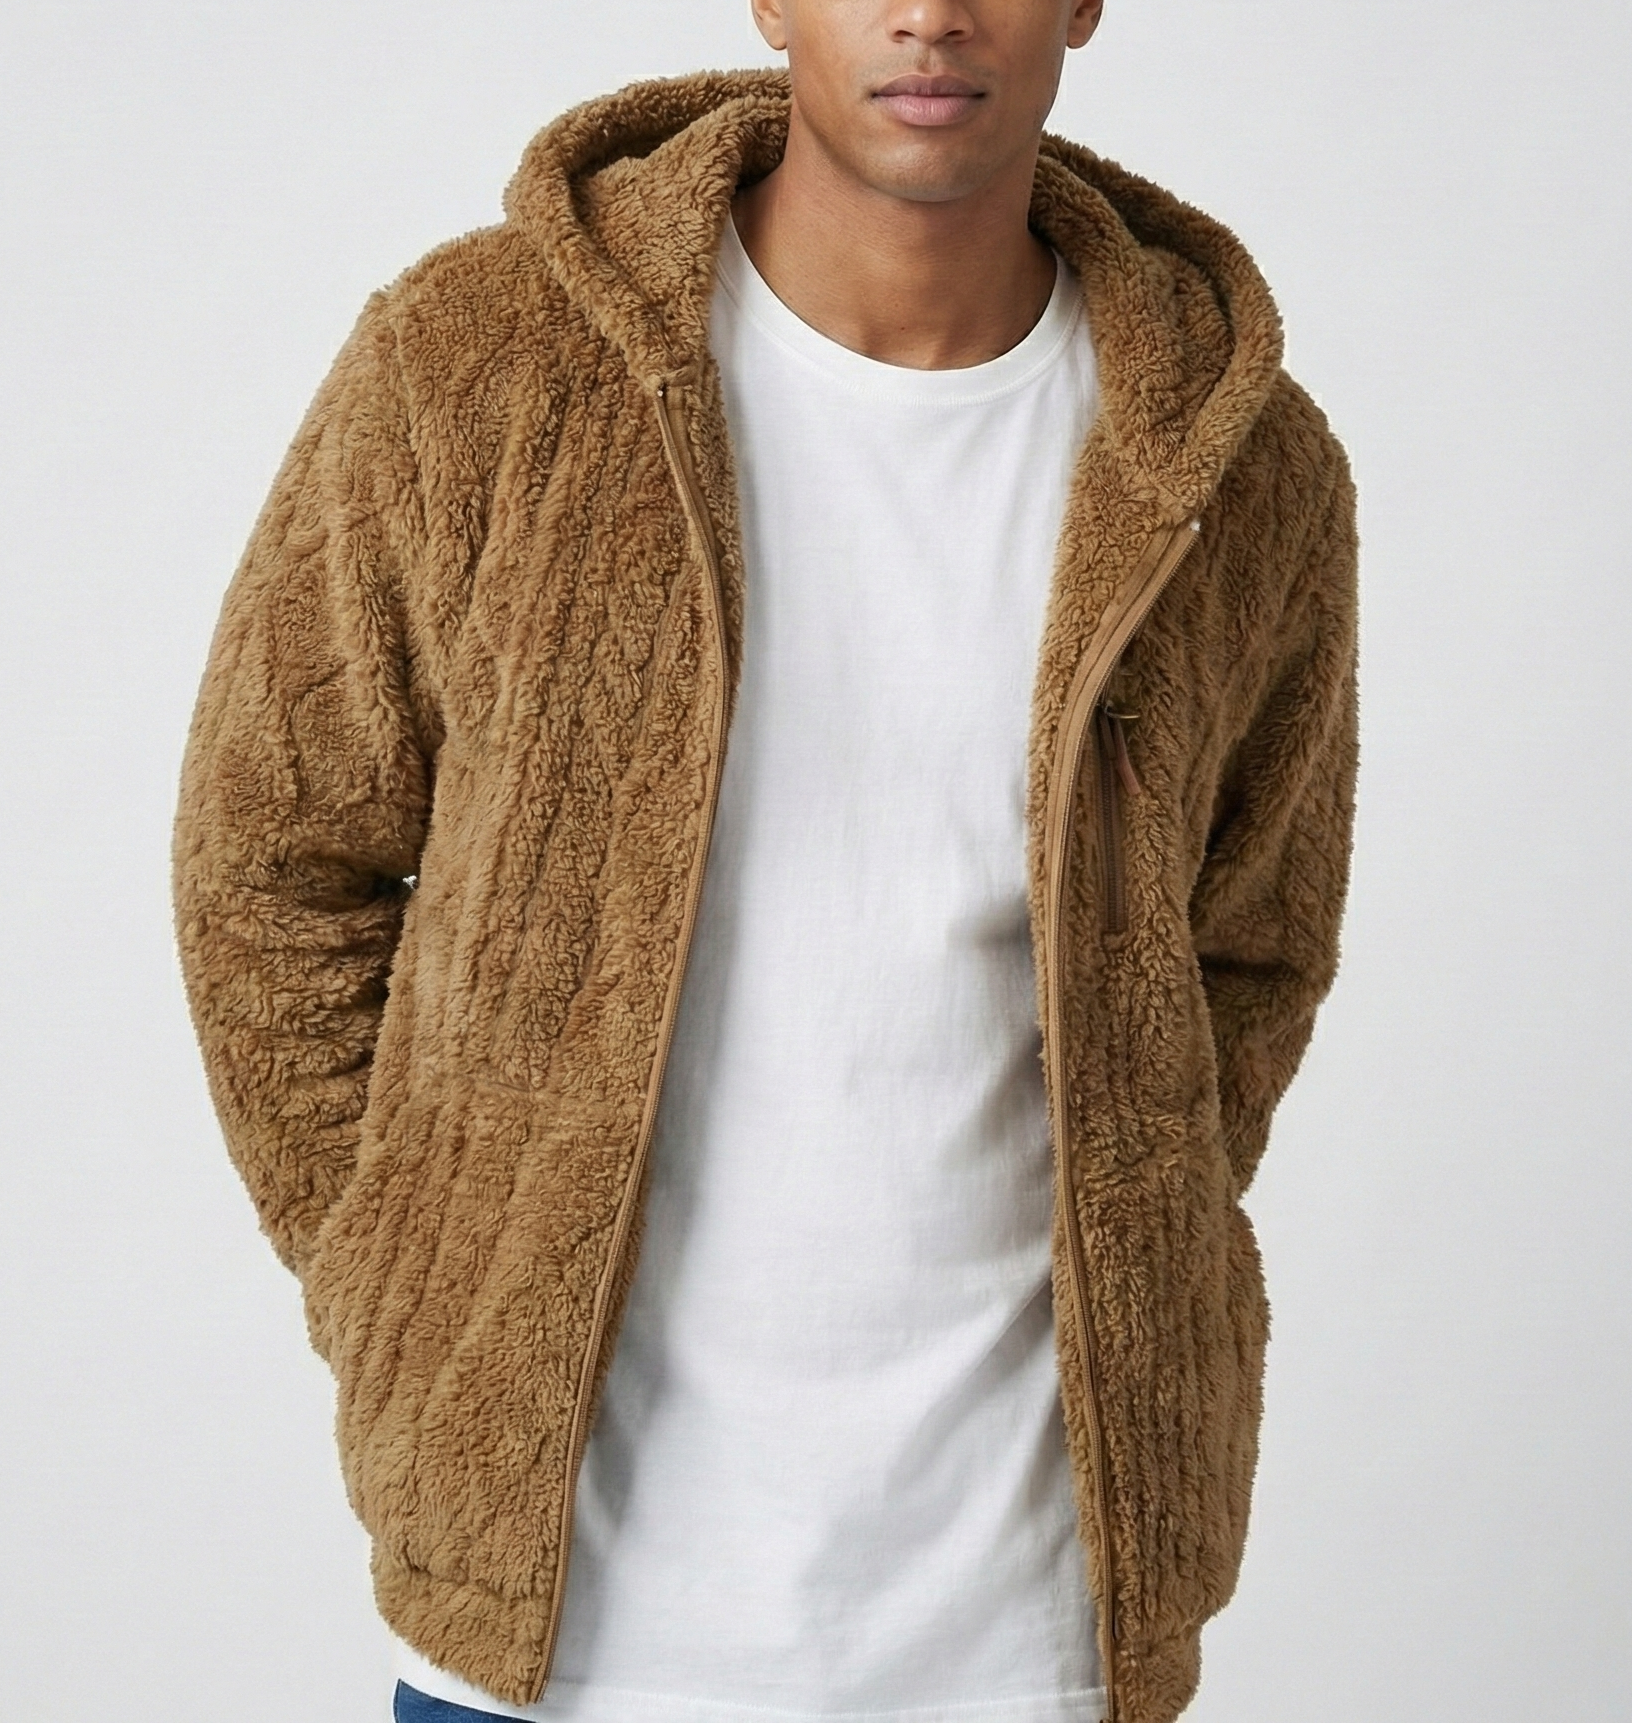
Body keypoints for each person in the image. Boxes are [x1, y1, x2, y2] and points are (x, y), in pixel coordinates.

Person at [173, 2, 1357, 1720]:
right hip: (550, 1625)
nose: (929, 11)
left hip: (1029, 1630)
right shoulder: (479, 364)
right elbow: (273, 861)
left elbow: (1253, 946)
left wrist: (1142, 1211)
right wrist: (408, 1270)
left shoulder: (1240, 467)